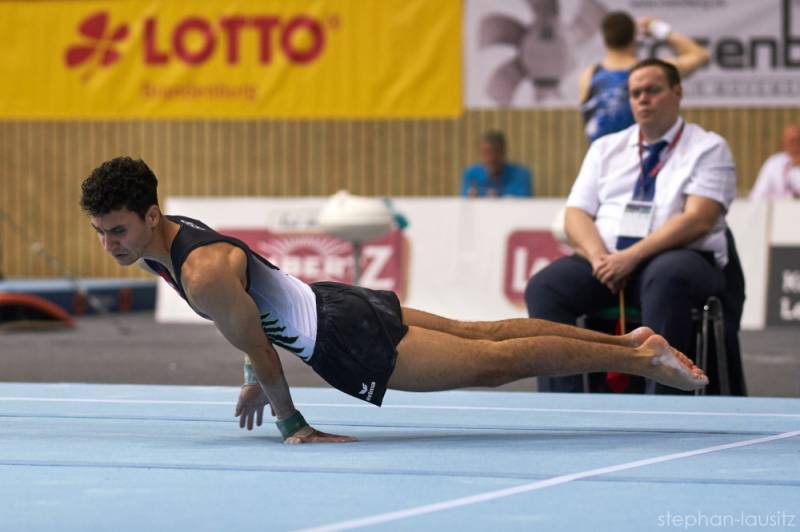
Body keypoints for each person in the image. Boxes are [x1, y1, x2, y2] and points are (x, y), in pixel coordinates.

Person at [80, 157, 707, 443]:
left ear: (152, 214)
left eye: (119, 231)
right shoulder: (170, 241)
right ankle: (632, 343)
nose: (110, 244)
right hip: (335, 302)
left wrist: (292, 424)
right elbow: (252, 320)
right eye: (101, 232)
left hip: (342, 337)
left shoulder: (200, 273)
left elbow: (263, 348)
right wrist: (250, 376)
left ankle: (638, 360)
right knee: (486, 334)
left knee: (495, 362)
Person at [527, 58, 736, 394]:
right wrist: (599, 258)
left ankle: (661, 402)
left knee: (667, 277)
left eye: (653, 90)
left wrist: (631, 257)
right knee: (546, 286)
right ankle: (562, 402)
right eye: (635, 93)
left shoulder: (708, 147)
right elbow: (575, 214)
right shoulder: (606, 148)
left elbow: (699, 218)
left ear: (677, 92)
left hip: (680, 259)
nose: (643, 99)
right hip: (608, 261)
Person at [580, 11, 709, 144]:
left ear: (604, 40)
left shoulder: (589, 75)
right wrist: (657, 28)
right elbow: (701, 55)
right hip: (643, 154)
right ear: (634, 37)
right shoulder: (654, 73)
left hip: (602, 155)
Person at [461, 130, 533, 197]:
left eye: (495, 152)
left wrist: (498, 197)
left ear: (503, 151)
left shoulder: (520, 175)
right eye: (486, 153)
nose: (491, 158)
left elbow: (524, 200)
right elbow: (464, 197)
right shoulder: (471, 174)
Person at [749, 124, 800, 200]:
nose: (796, 145)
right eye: (792, 141)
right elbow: (757, 196)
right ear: (784, 143)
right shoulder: (773, 164)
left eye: (798, 141)